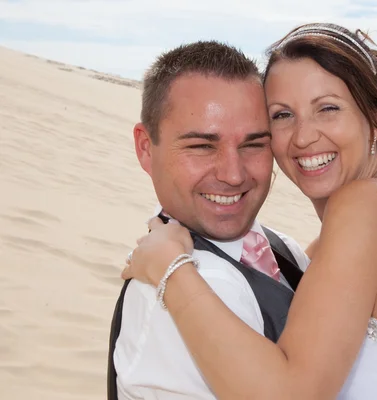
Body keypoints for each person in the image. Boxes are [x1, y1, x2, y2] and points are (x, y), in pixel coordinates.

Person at [122, 23, 377, 399]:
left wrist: (170, 269)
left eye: (328, 109)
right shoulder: (335, 241)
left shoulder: (367, 208)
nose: (304, 137)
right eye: (283, 115)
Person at [108, 41, 311, 400]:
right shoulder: (171, 306)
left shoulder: (281, 249)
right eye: (202, 146)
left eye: (253, 145)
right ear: (145, 148)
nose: (233, 175)